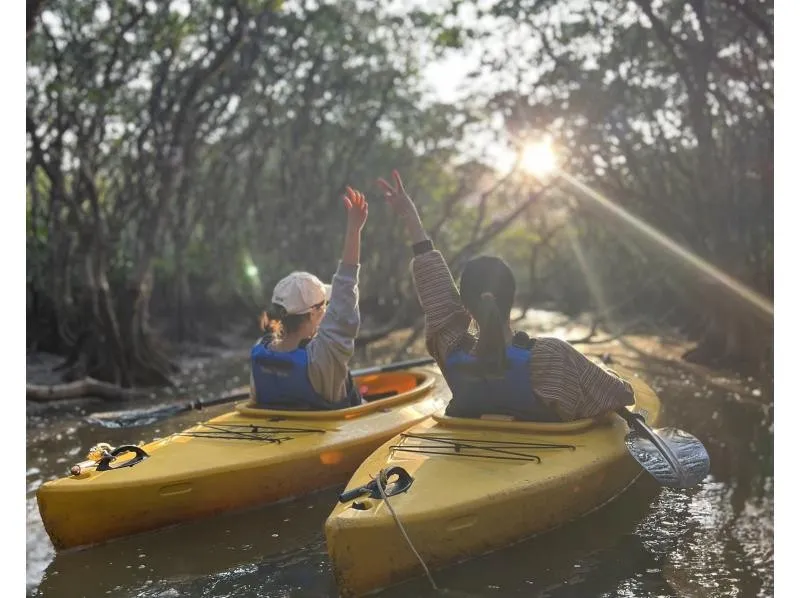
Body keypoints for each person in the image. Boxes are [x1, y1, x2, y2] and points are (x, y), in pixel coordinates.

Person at [377, 170, 634, 421]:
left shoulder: (450, 350)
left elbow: (437, 295)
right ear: (513, 299)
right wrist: (609, 374)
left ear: (465, 306)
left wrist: (410, 216)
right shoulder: (550, 358)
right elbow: (618, 395)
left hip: (466, 449)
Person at [249, 186, 368, 410]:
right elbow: (345, 287)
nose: (326, 310)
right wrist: (354, 230)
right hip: (327, 433)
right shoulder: (324, 355)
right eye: (324, 306)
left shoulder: (260, 351)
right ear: (314, 313)